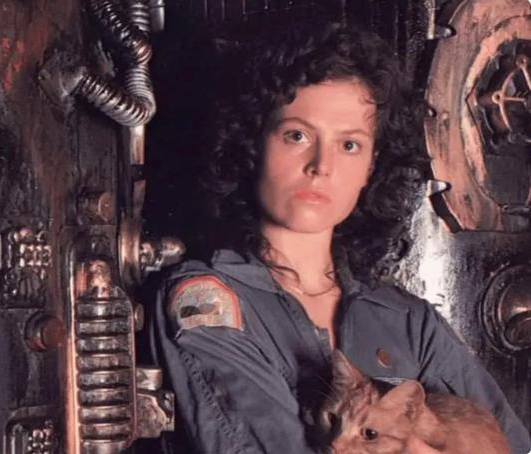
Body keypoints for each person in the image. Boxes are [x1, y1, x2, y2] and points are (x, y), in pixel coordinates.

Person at [148, 25, 531, 454]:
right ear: (254, 142)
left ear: (371, 166)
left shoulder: (408, 321)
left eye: (349, 145)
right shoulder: (205, 301)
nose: (321, 165)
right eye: (297, 135)